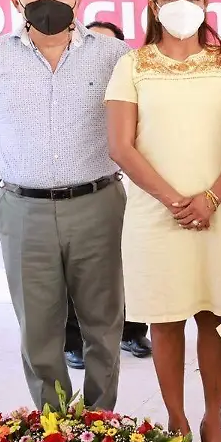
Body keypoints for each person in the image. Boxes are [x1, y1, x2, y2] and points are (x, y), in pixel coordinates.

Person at [104, 0, 221, 442]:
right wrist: (174, 200)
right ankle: (176, 423)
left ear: (206, 5)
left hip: (220, 213)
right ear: (153, 6)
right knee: (165, 320)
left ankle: (214, 421)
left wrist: (210, 198)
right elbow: (121, 146)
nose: (183, 4)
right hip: (155, 217)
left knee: (215, 316)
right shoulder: (132, 66)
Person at [0, 0, 128, 410]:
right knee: (38, 330)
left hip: (98, 204)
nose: (47, 0)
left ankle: (100, 428)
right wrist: (20, 170)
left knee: (103, 324)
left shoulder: (113, 56)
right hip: (24, 211)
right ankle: (53, 431)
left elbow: (132, 126)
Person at [59, 21, 152, 371]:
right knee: (69, 273)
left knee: (123, 265)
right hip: (68, 193)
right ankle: (73, 341)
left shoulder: (133, 87)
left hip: (115, 188)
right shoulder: (65, 90)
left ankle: (132, 331)